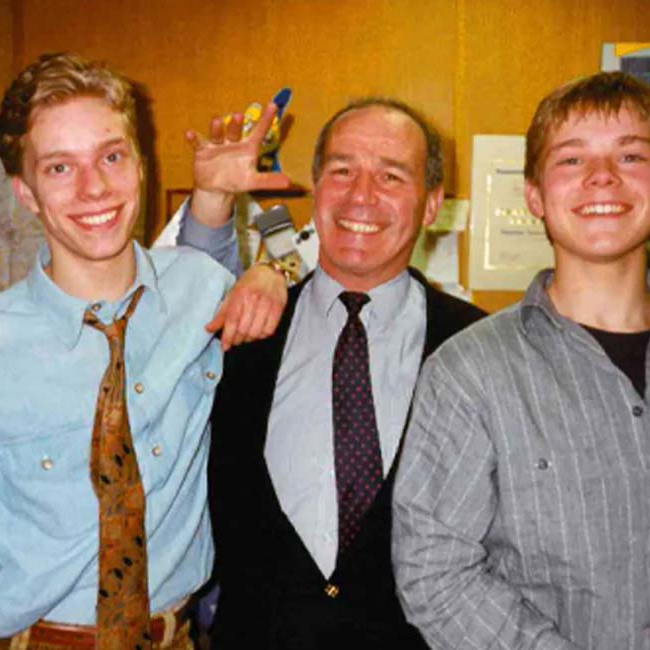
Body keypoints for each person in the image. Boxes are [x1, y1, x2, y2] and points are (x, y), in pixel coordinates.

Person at [0, 52, 288, 649]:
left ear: (141, 164)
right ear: (26, 193)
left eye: (111, 157)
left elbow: (292, 321)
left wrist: (278, 275)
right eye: (60, 168)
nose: (95, 189)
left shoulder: (201, 291)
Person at [392, 71, 650, 649]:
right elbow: (434, 574)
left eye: (631, 155)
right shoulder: (466, 374)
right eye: (571, 160)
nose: (602, 177)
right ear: (534, 195)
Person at [172, 97, 485, 648]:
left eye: (391, 175)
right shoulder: (247, 328)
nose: (361, 195)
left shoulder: (479, 348)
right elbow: (179, 304)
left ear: (432, 203)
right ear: (316, 188)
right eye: (342, 171)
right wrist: (212, 201)